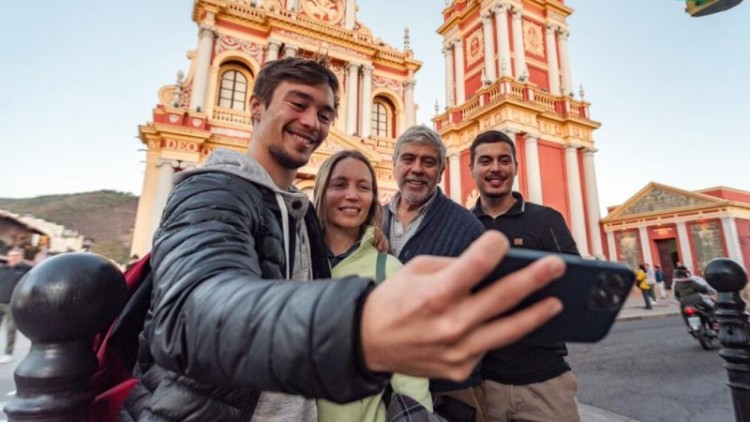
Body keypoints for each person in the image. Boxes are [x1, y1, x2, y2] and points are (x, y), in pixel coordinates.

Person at [121, 58, 565, 421]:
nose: (313, 122)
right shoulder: (212, 190)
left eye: (325, 114)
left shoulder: (301, 218)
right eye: (298, 104)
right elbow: (189, 315)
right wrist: (360, 326)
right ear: (255, 106)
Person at [467, 130, 581, 422]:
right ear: (472, 169)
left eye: (504, 160)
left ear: (516, 168)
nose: (495, 168)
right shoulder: (464, 226)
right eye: (486, 161)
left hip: (546, 382)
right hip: (484, 384)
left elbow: (575, 286)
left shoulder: (546, 221)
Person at [313, 150, 433, 421]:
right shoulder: (296, 261)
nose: (352, 195)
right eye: (340, 184)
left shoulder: (388, 271)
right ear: (322, 191)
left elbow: (409, 372)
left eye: (363, 187)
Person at [382, 125, 488, 421]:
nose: (417, 169)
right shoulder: (374, 220)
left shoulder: (466, 227)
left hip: (451, 389)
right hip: (384, 383)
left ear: (441, 171)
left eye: (428, 162)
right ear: (395, 165)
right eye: (408, 159)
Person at [0, 247, 31, 363]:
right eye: (11, 255)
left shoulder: (26, 270)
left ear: (21, 257)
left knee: (10, 329)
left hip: (13, 304)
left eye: (16, 256)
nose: (13, 258)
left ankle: (8, 353)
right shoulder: (2, 269)